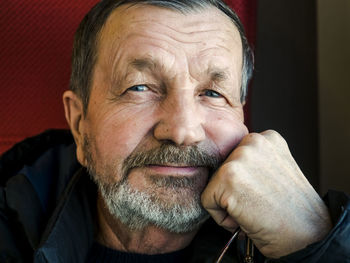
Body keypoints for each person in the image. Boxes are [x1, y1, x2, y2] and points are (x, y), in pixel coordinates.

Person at [0, 0, 349, 262]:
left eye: (213, 93)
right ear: (79, 123)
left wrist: (315, 240)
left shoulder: (304, 236)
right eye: (139, 87)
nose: (182, 130)